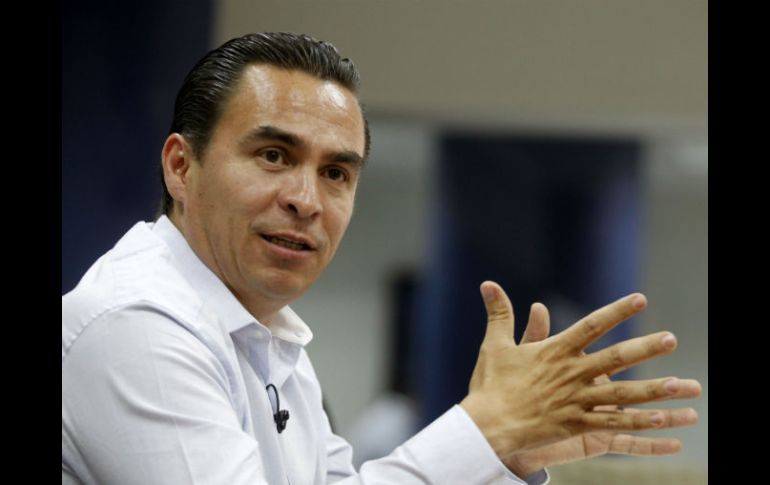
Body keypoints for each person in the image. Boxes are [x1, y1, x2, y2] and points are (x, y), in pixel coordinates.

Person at [61, 32, 701, 484]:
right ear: (181, 166)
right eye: (274, 156)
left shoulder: (268, 341)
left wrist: (507, 455)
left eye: (336, 173)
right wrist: (482, 430)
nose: (306, 200)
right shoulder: (137, 322)